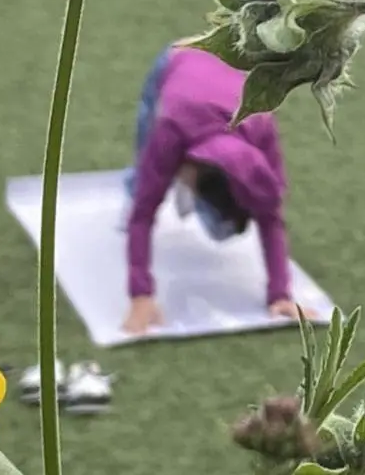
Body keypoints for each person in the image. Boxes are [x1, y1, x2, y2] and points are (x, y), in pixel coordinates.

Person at [122, 44, 300, 337]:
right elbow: (142, 215)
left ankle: (175, 190)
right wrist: (141, 295)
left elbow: (271, 216)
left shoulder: (261, 122)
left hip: (221, 87)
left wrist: (280, 294)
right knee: (144, 182)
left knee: (223, 229)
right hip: (180, 58)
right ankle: (136, 183)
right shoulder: (171, 129)